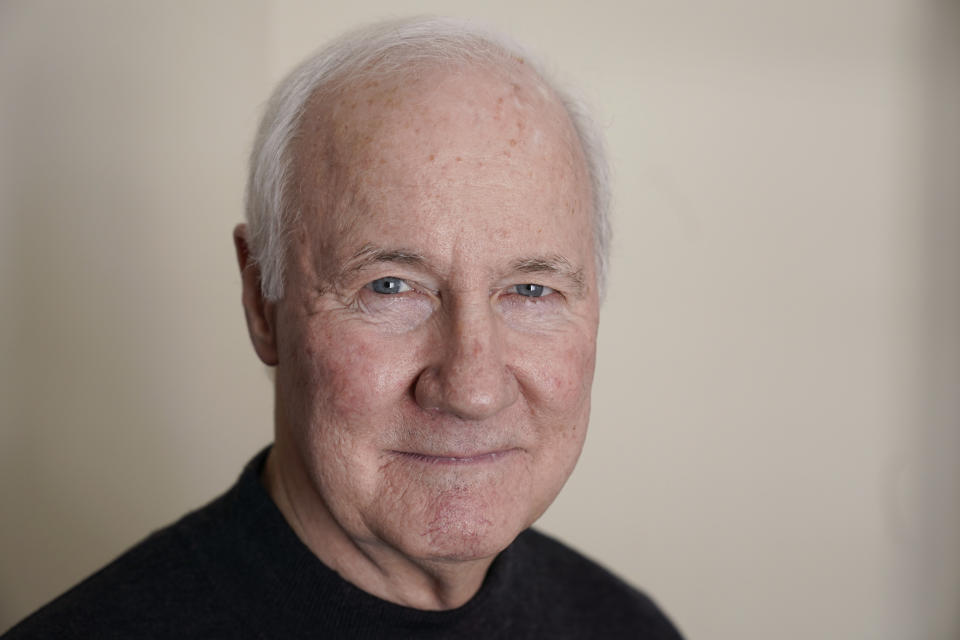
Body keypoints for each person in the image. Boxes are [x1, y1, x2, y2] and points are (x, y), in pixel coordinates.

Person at [4, 17, 683, 639]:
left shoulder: (625, 626)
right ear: (259, 298)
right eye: (390, 286)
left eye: (531, 290)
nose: (472, 388)